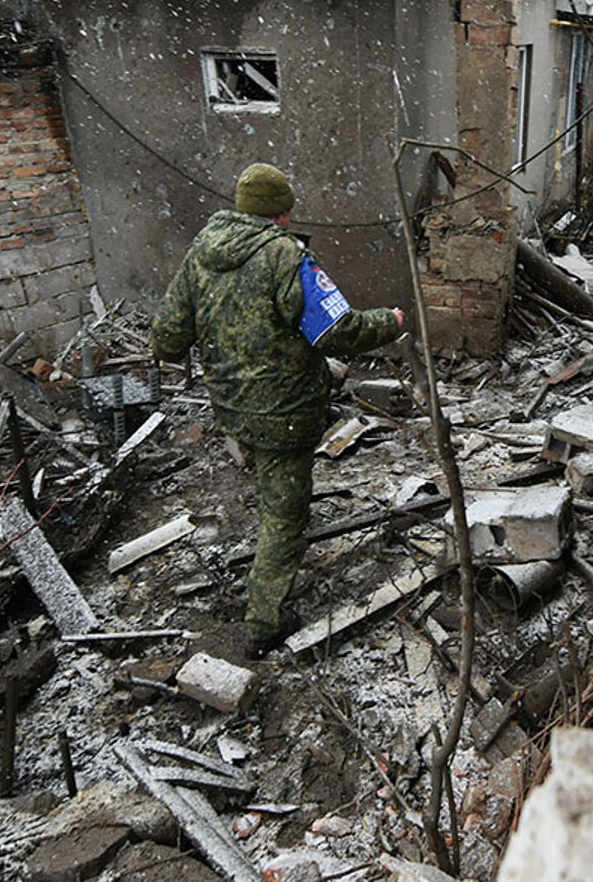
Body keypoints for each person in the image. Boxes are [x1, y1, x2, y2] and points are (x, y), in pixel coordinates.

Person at [153, 163, 404, 656]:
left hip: (231, 405)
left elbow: (166, 338)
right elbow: (337, 330)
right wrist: (389, 322)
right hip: (284, 411)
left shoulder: (201, 253)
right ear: (281, 212)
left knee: (271, 492)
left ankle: (265, 561)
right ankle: (265, 621)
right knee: (285, 517)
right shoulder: (288, 257)